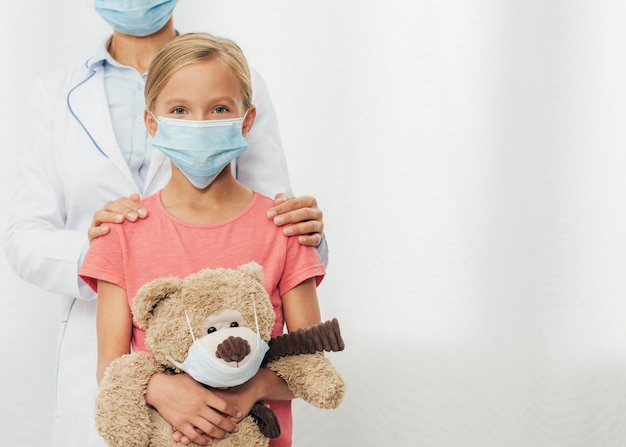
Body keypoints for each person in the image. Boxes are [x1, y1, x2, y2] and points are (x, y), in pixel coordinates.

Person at [2, 2, 328, 447]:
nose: (199, 123)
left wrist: (304, 232)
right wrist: (109, 253)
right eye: (178, 110)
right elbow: (24, 235)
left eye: (218, 110)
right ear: (153, 121)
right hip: (121, 364)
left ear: (243, 118)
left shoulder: (234, 73)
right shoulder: (55, 94)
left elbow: (279, 217)